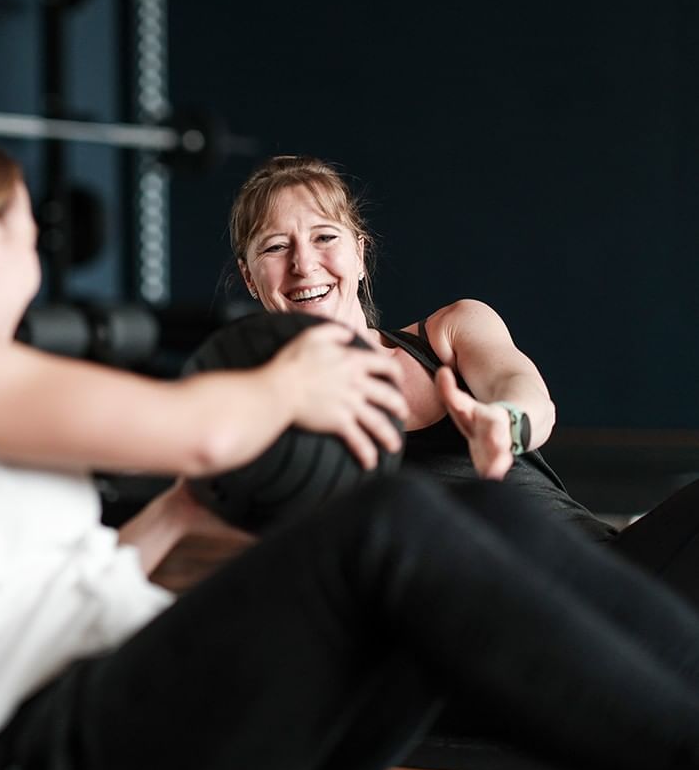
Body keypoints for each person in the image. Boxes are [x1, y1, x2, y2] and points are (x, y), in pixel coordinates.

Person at [0, 122, 699, 770]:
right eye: (29, 233)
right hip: (51, 767)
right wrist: (286, 382)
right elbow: (193, 428)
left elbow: (62, 573)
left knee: (466, 537)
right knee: (394, 525)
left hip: (112, 720)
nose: (30, 254)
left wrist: (177, 513)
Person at [229, 154, 699, 606]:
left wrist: (505, 423)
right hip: (497, 628)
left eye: (325, 237)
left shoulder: (449, 331)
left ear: (359, 251)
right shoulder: (260, 414)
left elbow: (522, 390)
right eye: (276, 246)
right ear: (251, 279)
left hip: (606, 575)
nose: (304, 264)